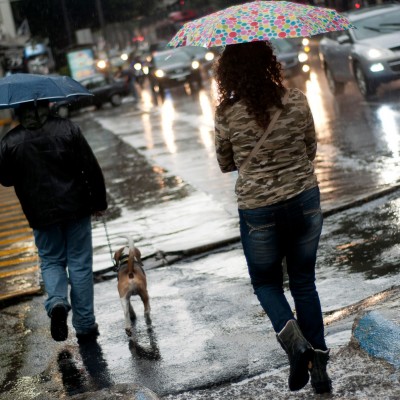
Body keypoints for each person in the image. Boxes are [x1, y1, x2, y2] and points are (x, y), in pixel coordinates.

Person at [213, 40, 332, 394]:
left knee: (266, 284)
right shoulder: (296, 99)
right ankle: (320, 369)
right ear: (270, 63)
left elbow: (224, 163)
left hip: (259, 211)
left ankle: (296, 346)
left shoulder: (226, 113)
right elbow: (310, 148)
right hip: (304, 202)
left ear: (229, 72)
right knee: (304, 282)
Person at [0, 100, 107, 343]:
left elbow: (5, 179)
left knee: (51, 261)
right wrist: (99, 202)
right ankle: (85, 324)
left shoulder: (10, 141)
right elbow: (90, 166)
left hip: (40, 214)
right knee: (79, 264)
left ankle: (57, 301)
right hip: (76, 208)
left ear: (18, 110)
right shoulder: (68, 129)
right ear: (47, 105)